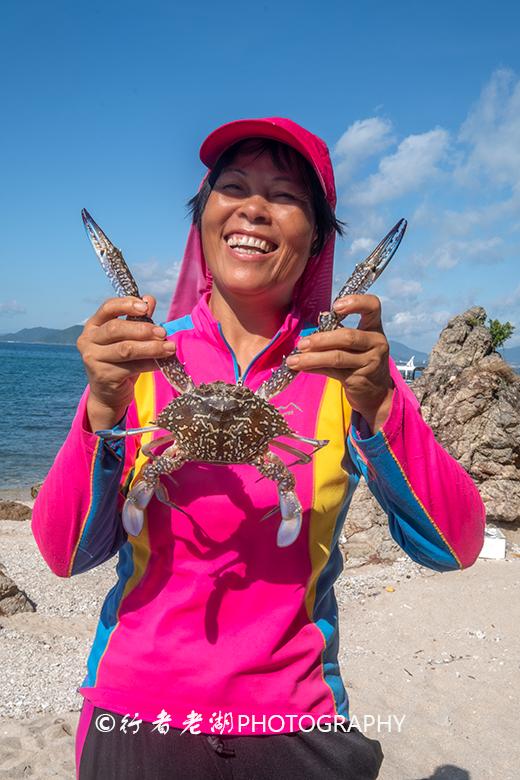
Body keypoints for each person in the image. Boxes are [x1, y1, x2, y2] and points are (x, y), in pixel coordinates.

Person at [32, 117, 486, 780]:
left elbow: (455, 548)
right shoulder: (144, 357)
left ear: (318, 238)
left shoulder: (340, 368)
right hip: (136, 715)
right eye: (233, 186)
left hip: (293, 722)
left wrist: (383, 406)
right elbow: (64, 555)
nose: (253, 206)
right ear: (205, 216)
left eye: (285, 195)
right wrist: (101, 411)